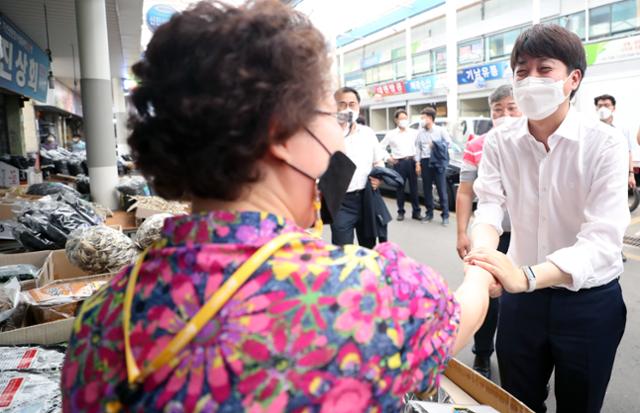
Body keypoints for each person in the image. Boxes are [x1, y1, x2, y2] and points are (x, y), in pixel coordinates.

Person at [61, 2, 497, 412]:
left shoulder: (100, 322)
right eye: (331, 116)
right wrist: (481, 265)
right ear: (282, 134)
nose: (340, 137)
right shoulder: (370, 292)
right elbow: (458, 319)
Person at [465, 24, 629, 413]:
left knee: (580, 403)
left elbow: (602, 237)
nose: (530, 79)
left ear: (573, 79)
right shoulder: (500, 142)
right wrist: (484, 260)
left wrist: (526, 276)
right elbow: (489, 204)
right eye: (522, 71)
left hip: (588, 301)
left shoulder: (604, 143)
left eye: (544, 69)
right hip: (522, 304)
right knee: (517, 401)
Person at [455, 84, 521, 379]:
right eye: (498, 110)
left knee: (522, 299)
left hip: (527, 236)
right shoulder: (477, 145)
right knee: (487, 295)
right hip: (490, 233)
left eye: (512, 108)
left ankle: (527, 367)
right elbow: (466, 192)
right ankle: (482, 354)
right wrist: (462, 232)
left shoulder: (539, 141)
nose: (504, 115)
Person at [330, 87, 387, 249]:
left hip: (366, 198)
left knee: (368, 248)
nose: (347, 108)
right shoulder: (327, 134)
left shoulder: (368, 133)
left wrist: (378, 178)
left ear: (358, 107)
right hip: (341, 202)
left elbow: (378, 162)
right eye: (342, 104)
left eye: (352, 104)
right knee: (343, 251)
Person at [380, 109, 422, 221]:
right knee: (400, 188)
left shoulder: (414, 133)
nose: (403, 120)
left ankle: (416, 212)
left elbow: (418, 148)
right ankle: (401, 212)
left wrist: (418, 163)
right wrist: (388, 158)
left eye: (405, 118)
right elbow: (381, 147)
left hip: (412, 161)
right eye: (401, 118)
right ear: (396, 120)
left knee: (414, 188)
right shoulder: (391, 134)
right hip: (399, 163)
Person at [415, 107, 451, 226]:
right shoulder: (420, 132)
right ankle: (429, 213)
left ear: (430, 118)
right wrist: (418, 163)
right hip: (425, 161)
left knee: (441, 189)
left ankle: (445, 215)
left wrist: (436, 145)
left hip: (438, 161)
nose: (422, 120)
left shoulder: (440, 130)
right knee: (426, 189)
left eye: (423, 118)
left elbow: (448, 144)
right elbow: (418, 148)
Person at [594, 94, 637, 189]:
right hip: (598, 175)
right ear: (596, 108)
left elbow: (628, 151)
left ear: (613, 108)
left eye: (606, 105)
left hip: (618, 173)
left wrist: (631, 175)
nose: (603, 108)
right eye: (600, 106)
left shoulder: (622, 128)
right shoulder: (592, 129)